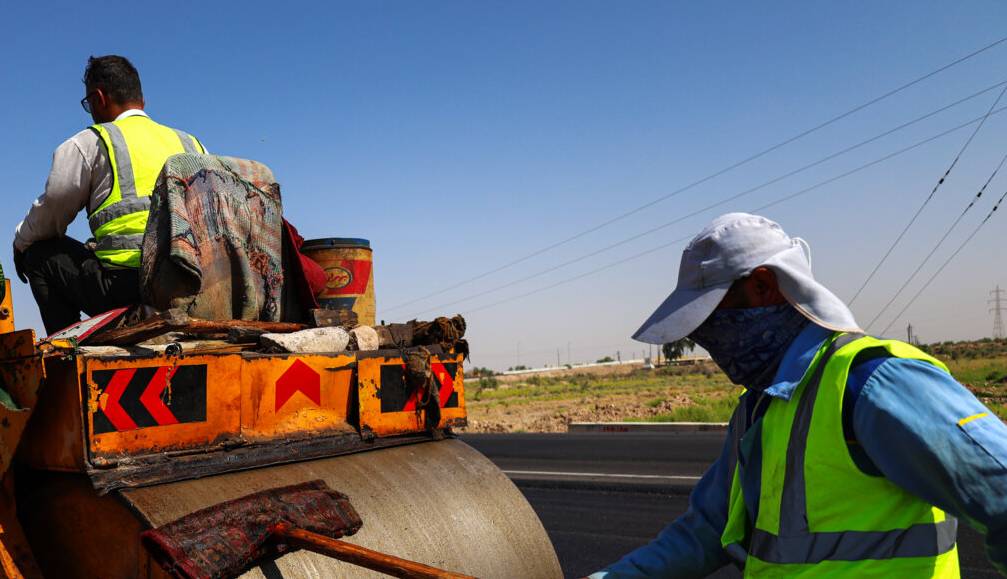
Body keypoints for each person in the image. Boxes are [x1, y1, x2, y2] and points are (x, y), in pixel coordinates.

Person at [591, 213, 1007, 578]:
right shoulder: (759, 405)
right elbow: (706, 532)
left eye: (714, 320)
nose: (709, 341)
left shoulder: (874, 382)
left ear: (764, 286)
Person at [12, 55, 205, 334]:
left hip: (129, 289)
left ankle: (69, 349)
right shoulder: (192, 144)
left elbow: (51, 212)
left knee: (38, 252)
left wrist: (20, 242)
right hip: (190, 284)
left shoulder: (91, 142)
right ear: (142, 100)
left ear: (98, 98)